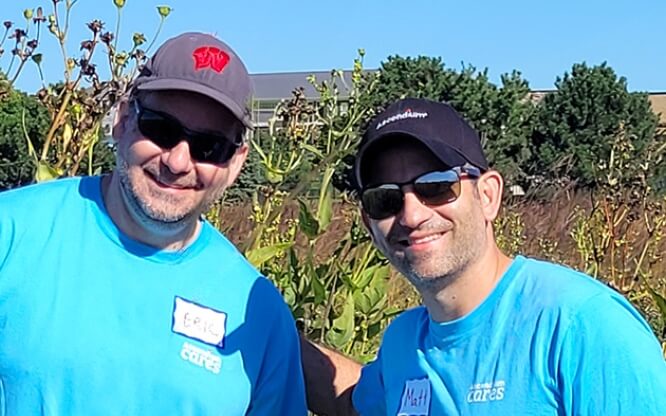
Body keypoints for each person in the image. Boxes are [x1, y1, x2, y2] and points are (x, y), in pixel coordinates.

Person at [0, 32, 306, 415]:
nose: (177, 162)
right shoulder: (12, 233)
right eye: (161, 129)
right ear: (123, 120)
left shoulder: (259, 314)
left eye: (209, 147)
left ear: (235, 163)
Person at [302, 97, 666, 415]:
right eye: (384, 198)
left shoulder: (580, 326)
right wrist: (269, 331)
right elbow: (352, 404)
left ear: (488, 195)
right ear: (368, 222)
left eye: (436, 186)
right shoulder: (403, 345)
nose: (411, 215)